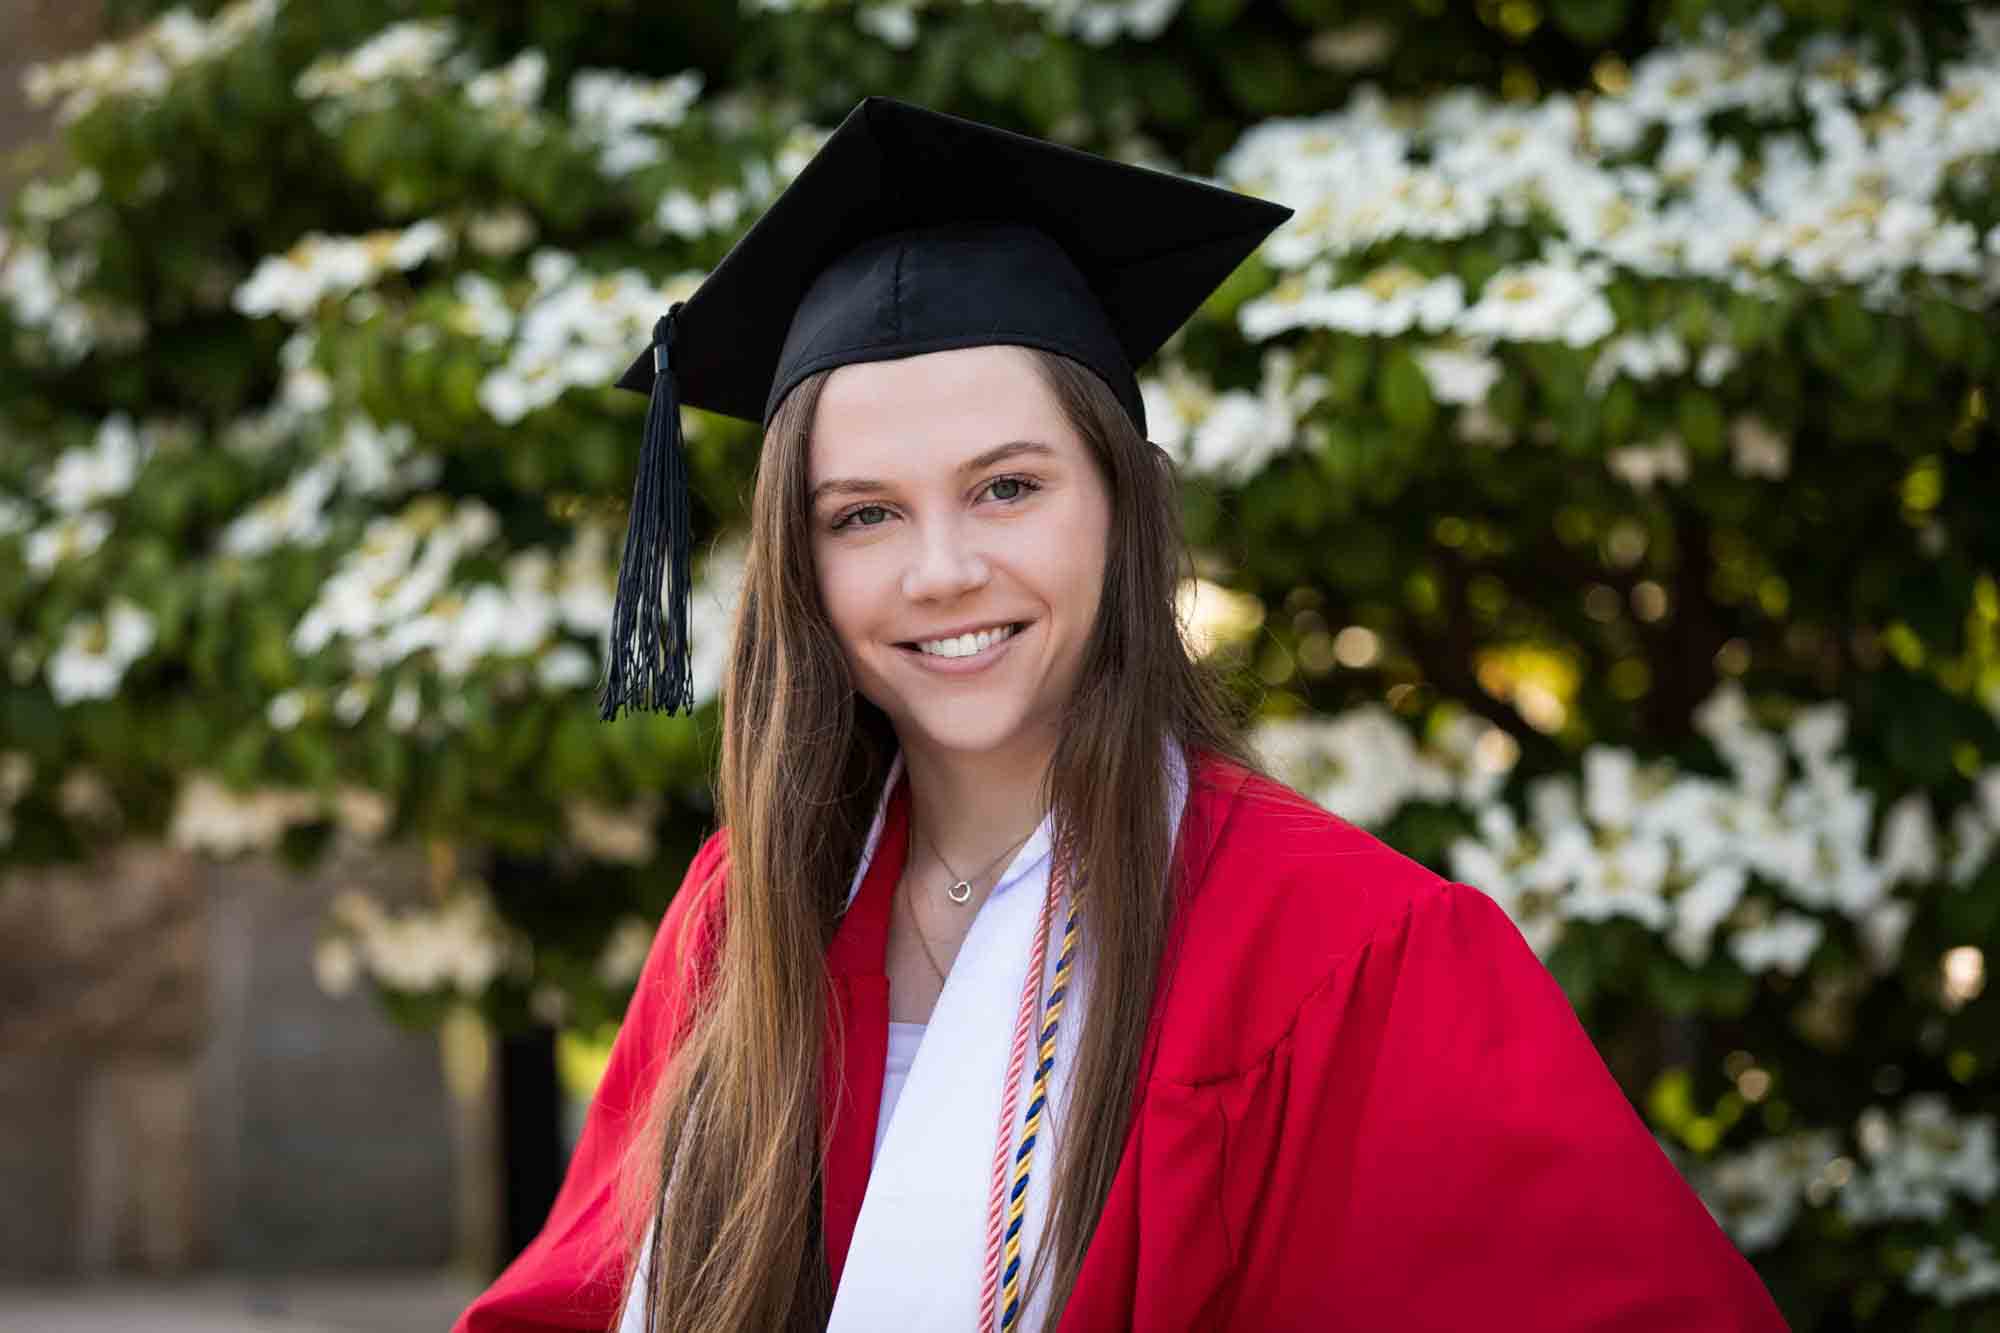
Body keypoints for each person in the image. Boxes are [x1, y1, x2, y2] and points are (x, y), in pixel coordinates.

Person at [456, 97, 1788, 1333]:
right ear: (799, 565)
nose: (941, 571)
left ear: (1125, 504)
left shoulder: (1342, 950)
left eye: (1007, 488)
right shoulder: (743, 918)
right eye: (864, 513)